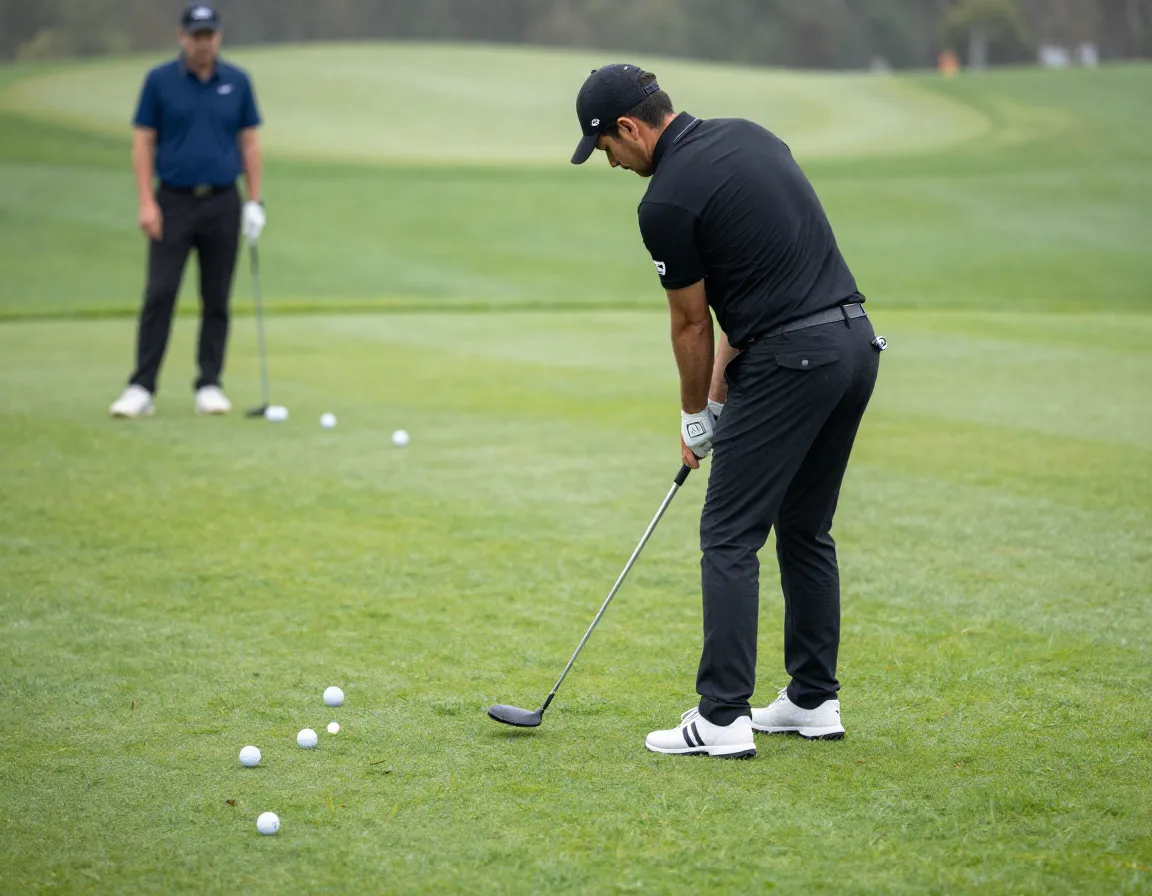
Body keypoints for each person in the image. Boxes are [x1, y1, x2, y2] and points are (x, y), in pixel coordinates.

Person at [570, 65, 883, 759]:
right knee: (804, 526)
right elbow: (753, 294)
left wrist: (690, 416)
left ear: (630, 128)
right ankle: (811, 699)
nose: (610, 163)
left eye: (606, 148)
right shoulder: (751, 138)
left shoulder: (665, 204)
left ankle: (721, 717)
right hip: (854, 344)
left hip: (792, 358)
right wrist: (713, 407)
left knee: (729, 534)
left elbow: (691, 325)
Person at [109, 3, 265, 418]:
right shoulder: (160, 82)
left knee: (216, 298)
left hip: (223, 200)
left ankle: (209, 383)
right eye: (196, 36)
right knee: (160, 294)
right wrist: (146, 200)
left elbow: (249, 142)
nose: (203, 43)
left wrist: (254, 201)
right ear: (182, 37)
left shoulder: (238, 82)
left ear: (219, 37)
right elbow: (143, 142)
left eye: (209, 35)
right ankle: (142, 387)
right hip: (173, 200)